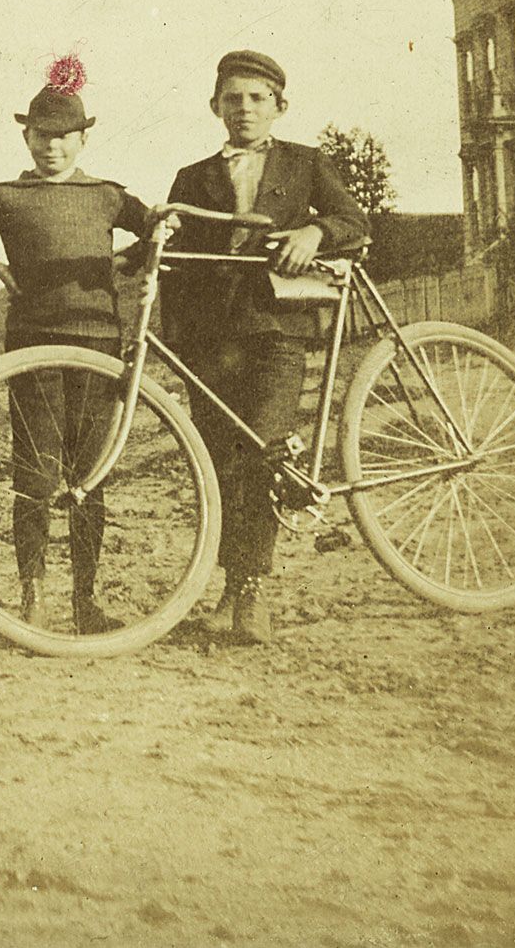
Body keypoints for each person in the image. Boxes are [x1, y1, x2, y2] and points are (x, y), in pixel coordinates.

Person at [0, 69, 153, 635]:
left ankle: (85, 601)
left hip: (101, 345)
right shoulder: (5, 198)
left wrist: (123, 264)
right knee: (34, 473)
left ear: (83, 139)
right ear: (25, 139)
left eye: (63, 137)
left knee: (90, 474)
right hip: (31, 345)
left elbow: (155, 232)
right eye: (40, 136)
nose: (52, 147)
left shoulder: (107, 196)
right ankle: (33, 597)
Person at [161, 49, 368, 645]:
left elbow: (353, 220)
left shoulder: (305, 163)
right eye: (232, 98)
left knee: (259, 450)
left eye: (257, 98)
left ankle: (252, 594)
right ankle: (233, 589)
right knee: (220, 464)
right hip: (210, 339)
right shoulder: (191, 178)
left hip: (278, 331)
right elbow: (176, 262)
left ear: (279, 106)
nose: (244, 109)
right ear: (215, 107)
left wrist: (315, 230)